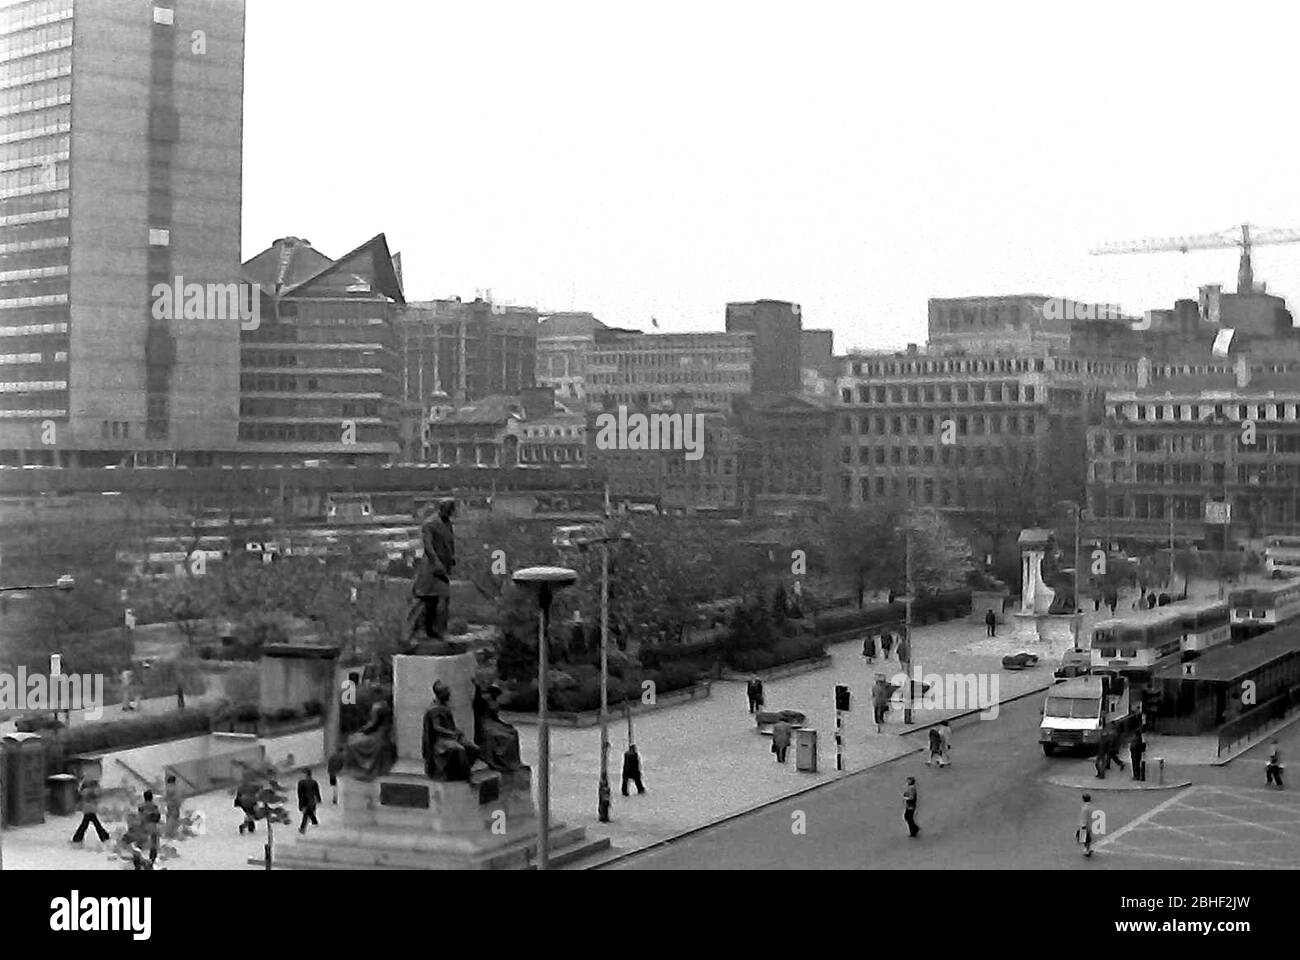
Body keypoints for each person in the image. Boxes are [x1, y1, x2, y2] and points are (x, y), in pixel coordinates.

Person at [408, 499, 456, 647]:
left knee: (437, 599)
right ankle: (430, 630)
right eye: (450, 509)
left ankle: (434, 630)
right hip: (431, 568)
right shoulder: (430, 524)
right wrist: (437, 563)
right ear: (442, 508)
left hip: (443, 566)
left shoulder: (448, 523)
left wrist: (452, 558)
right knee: (435, 598)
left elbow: (449, 544)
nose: (452, 512)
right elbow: (428, 546)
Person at [422, 680, 480, 781]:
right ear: (440, 694)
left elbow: (450, 725)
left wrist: (457, 732)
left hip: (451, 737)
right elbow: (437, 728)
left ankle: (460, 771)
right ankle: (467, 776)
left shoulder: (445, 707)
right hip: (441, 740)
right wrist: (452, 733)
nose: (449, 695)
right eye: (447, 693)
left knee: (474, 749)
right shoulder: (434, 710)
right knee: (459, 749)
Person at [471, 681, 523, 772]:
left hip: (491, 722)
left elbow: (495, 715)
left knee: (512, 732)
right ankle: (501, 761)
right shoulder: (484, 700)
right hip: (485, 723)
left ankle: (511, 761)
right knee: (504, 736)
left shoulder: (492, 700)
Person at [71, 779, 110, 845]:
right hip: (90, 809)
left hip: (89, 809)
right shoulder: (90, 791)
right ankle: (104, 837)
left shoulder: (86, 790)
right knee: (94, 824)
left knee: (86, 824)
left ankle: (77, 838)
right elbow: (96, 796)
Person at [138, 790, 161, 865]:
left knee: (140, 843)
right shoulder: (154, 806)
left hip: (144, 825)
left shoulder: (141, 806)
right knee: (154, 844)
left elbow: (140, 817)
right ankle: (152, 859)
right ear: (151, 797)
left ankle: (139, 858)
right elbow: (158, 816)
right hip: (152, 825)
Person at [297, 768, 322, 833]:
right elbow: (317, 792)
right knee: (309, 812)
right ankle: (314, 822)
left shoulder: (301, 783)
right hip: (312, 801)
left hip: (305, 801)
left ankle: (302, 828)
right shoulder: (314, 782)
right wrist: (318, 799)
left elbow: (300, 795)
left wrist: (301, 804)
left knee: (306, 814)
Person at [163, 774, 182, 839]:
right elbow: (178, 799)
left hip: (170, 805)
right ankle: (172, 833)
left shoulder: (168, 788)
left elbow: (166, 797)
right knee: (174, 819)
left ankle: (169, 833)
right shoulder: (176, 788)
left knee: (170, 818)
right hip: (174, 806)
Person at [1078, 793, 1095, 857]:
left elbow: (1084, 818)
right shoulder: (1091, 806)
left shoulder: (1085, 808)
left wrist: (1083, 826)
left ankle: (1087, 850)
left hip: (1085, 825)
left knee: (1084, 838)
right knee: (1088, 837)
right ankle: (1089, 848)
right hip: (1090, 824)